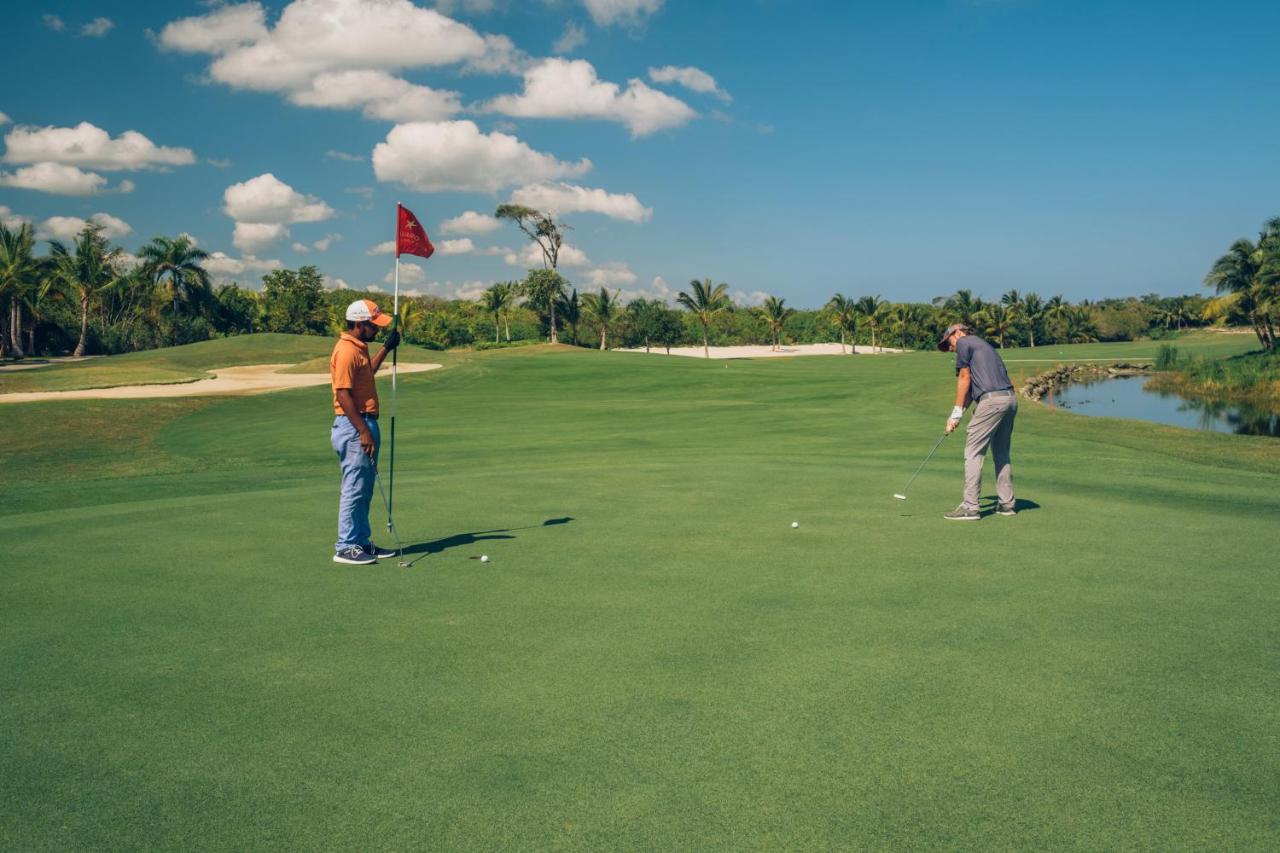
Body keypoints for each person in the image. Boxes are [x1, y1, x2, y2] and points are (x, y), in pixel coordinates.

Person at [330, 299, 401, 564]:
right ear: (359, 324)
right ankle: (345, 546)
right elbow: (343, 393)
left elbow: (367, 374)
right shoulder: (346, 351)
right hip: (353, 426)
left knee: (364, 487)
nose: (377, 329)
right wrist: (363, 430)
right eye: (374, 326)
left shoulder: (358, 349)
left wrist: (386, 348)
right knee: (354, 487)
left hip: (363, 423)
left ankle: (360, 541)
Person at [937, 323, 1017, 521]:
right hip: (1010, 400)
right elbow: (972, 389)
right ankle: (1006, 504)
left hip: (991, 402)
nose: (951, 348)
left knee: (973, 451)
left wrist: (956, 412)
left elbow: (964, 377)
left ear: (957, 333)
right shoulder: (984, 346)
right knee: (1001, 452)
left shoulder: (964, 342)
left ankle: (970, 506)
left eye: (949, 343)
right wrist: (957, 415)